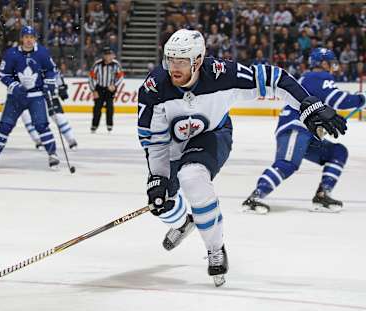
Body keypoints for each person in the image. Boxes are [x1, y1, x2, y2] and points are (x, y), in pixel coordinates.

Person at [138, 30, 346, 287]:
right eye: (170, 60)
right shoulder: (154, 87)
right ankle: (183, 223)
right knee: (161, 202)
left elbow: (275, 78)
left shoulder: (223, 74)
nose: (174, 68)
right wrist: (158, 176)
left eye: (182, 61)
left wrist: (308, 106)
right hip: (171, 144)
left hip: (212, 135)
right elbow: (154, 139)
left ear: (199, 60)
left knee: (192, 177)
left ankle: (215, 248)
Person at [242, 48, 365, 214]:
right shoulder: (319, 77)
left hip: (305, 131)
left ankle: (323, 195)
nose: (333, 67)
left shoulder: (310, 78)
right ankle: (255, 197)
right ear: (323, 63)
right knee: (287, 164)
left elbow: (322, 105)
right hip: (296, 127)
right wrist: (360, 98)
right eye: (331, 63)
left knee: (337, 152)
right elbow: (337, 99)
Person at [0, 26, 59, 169]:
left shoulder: (42, 53)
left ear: (35, 38)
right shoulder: (11, 54)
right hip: (15, 98)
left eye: (31, 37)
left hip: (36, 96)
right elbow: (3, 74)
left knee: (41, 125)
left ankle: (52, 154)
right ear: (21, 38)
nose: (29, 40)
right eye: (26, 37)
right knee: (5, 125)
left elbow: (51, 70)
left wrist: (49, 83)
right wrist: (14, 87)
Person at [21, 70, 78, 150]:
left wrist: (62, 87)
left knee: (58, 117)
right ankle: (38, 140)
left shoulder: (46, 61)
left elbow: (56, 73)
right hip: (32, 95)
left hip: (49, 94)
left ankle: (71, 140)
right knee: (26, 115)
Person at [88, 47, 124, 133]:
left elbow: (121, 76)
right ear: (103, 56)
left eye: (110, 55)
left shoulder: (116, 64)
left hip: (110, 89)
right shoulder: (97, 64)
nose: (109, 57)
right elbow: (91, 77)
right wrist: (94, 90)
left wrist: (115, 85)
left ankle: (109, 125)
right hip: (99, 88)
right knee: (97, 108)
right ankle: (94, 125)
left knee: (110, 107)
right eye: (107, 55)